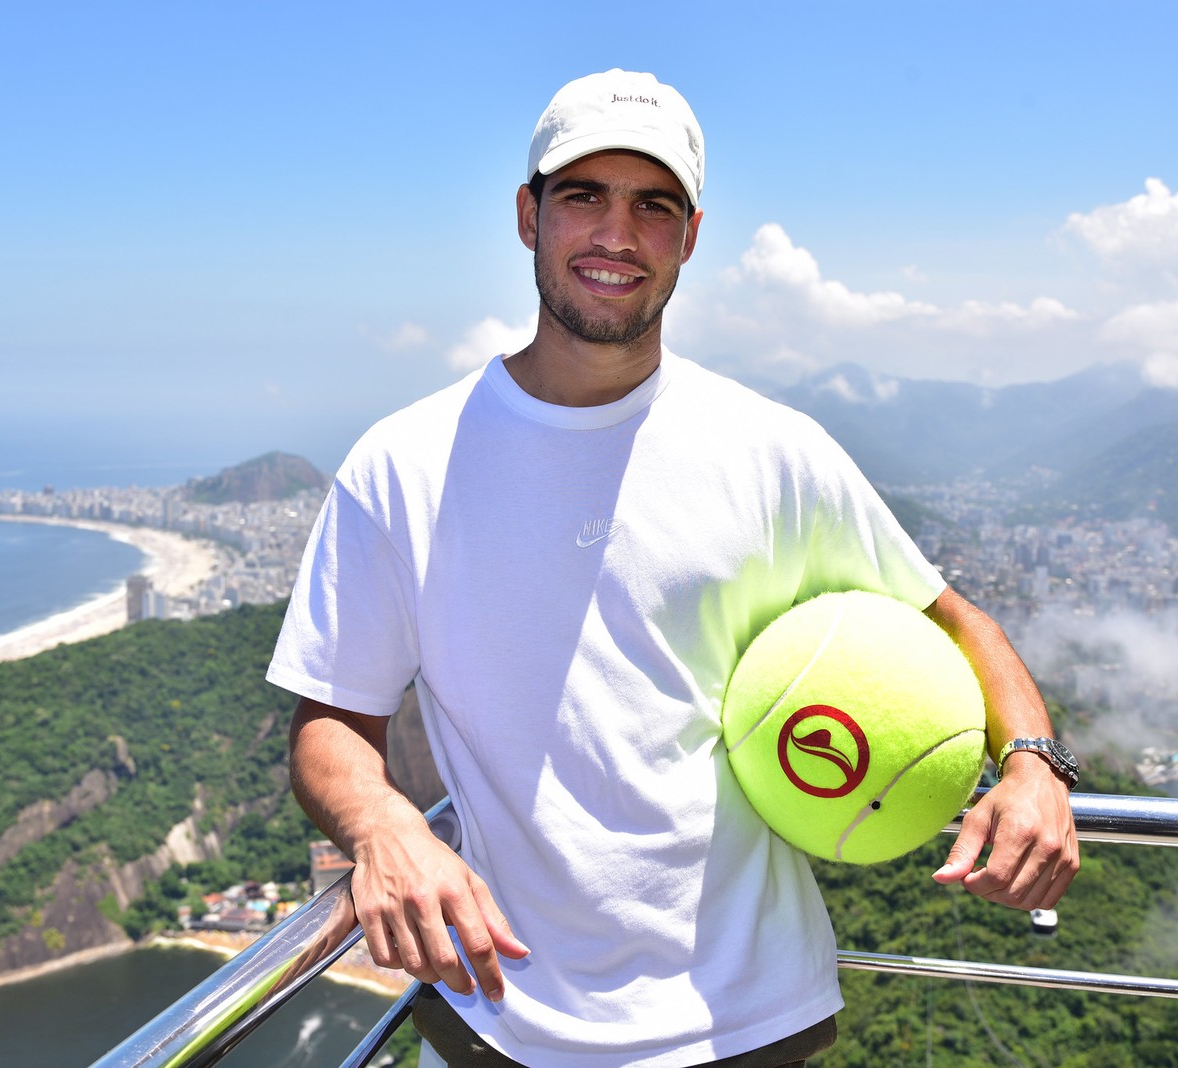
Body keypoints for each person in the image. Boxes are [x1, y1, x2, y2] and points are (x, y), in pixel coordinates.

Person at [269, 68, 1079, 1068]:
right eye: (582, 197)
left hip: (748, 1019)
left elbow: (956, 625)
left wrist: (1034, 767)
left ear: (689, 237)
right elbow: (330, 721)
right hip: (503, 1015)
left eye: (652, 207)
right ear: (528, 217)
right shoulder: (402, 464)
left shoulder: (772, 450)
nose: (616, 234)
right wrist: (382, 825)